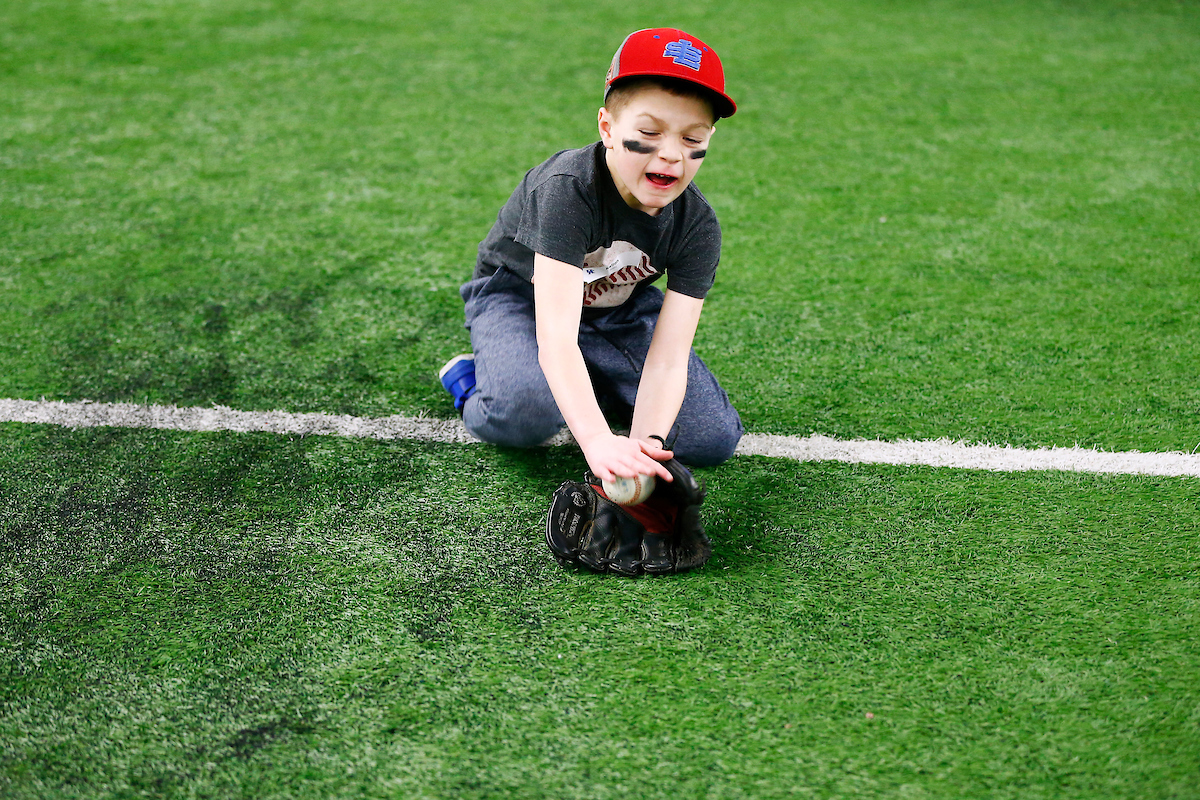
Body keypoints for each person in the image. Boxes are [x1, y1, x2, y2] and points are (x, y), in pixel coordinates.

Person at [440, 27, 743, 487]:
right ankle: (469, 379)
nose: (671, 154)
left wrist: (645, 447)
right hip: (522, 298)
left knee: (709, 438)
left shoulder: (697, 224)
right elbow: (556, 337)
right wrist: (598, 440)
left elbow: (669, 358)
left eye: (692, 138)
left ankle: (590, 380)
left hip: (616, 305)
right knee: (525, 414)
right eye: (649, 132)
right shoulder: (567, 190)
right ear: (607, 128)